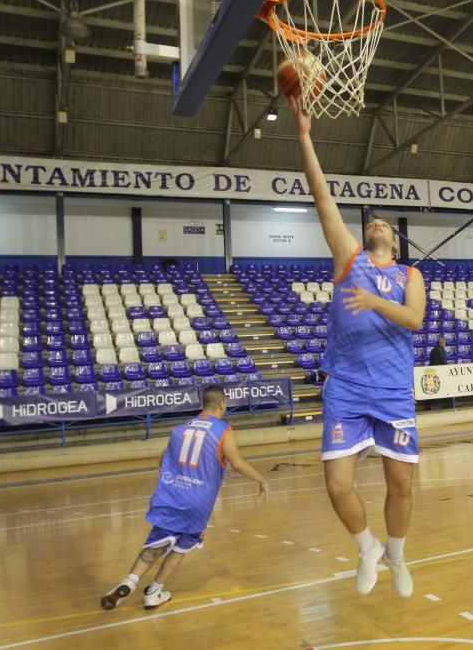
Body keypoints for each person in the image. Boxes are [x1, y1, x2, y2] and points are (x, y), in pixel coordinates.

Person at [288, 94, 426, 598]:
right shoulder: (348, 257)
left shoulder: (411, 273)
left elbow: (413, 318)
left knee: (402, 485)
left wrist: (373, 301)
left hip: (392, 389)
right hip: (346, 383)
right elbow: (322, 195)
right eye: (372, 222)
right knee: (337, 484)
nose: (376, 224)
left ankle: (397, 553)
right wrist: (304, 134)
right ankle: (366, 546)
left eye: (384, 225)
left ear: (394, 241)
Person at [100, 386, 268, 610]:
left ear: (203, 403)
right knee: (181, 548)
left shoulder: (179, 430)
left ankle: (130, 580)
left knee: (156, 543)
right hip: (198, 504)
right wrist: (261, 480)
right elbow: (237, 464)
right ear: (222, 404)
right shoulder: (224, 431)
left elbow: (161, 463)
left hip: (171, 496)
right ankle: (154, 591)